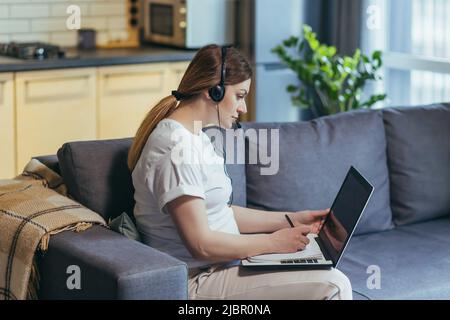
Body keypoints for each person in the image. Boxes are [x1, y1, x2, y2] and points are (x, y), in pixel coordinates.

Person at [128, 44, 352, 300]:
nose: (243, 107)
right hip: (197, 280)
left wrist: (293, 219)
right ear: (214, 91)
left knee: (324, 268)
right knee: (333, 284)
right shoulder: (175, 147)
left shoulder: (195, 136)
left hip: (223, 266)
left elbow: (219, 212)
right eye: (240, 95)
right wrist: (271, 243)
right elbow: (201, 244)